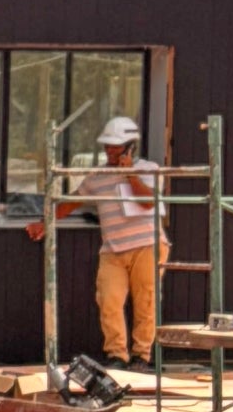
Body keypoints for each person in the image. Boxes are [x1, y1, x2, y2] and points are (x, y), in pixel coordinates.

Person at [34, 115, 159, 369]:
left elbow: (149, 201)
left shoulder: (149, 169)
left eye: (116, 147)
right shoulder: (97, 177)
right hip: (113, 248)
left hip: (146, 245)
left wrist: (130, 174)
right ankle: (117, 355)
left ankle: (142, 356)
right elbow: (71, 202)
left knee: (145, 302)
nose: (110, 152)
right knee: (109, 300)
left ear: (130, 147)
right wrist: (45, 222)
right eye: (107, 147)